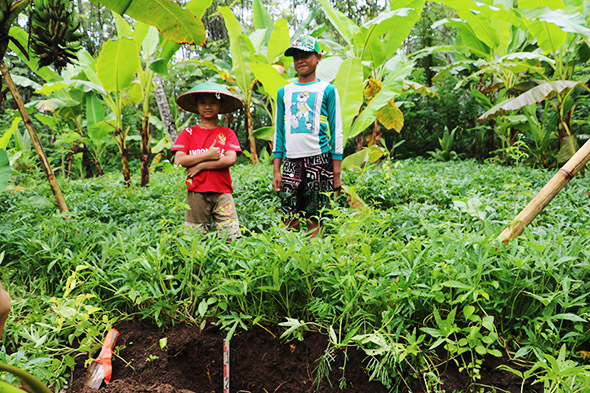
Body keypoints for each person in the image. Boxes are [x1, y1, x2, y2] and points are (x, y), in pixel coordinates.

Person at [272, 34, 344, 237]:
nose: (300, 60)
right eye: (295, 56)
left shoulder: (328, 90)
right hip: (291, 162)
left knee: (316, 218)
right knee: (290, 218)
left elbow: (336, 130)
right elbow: (279, 133)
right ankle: (293, 261)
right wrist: (277, 170)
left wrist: (336, 172)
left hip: (320, 160)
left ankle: (315, 262)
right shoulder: (283, 92)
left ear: (318, 57)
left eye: (305, 55)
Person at [172, 82, 243, 240]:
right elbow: (179, 160)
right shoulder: (188, 133)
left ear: (220, 106)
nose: (207, 106)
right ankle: (199, 265)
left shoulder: (227, 133)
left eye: (213, 102)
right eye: (202, 102)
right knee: (195, 238)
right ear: (197, 106)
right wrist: (208, 155)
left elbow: (230, 159)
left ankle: (231, 264)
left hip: (222, 191)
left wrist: (201, 166)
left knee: (231, 235)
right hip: (196, 191)